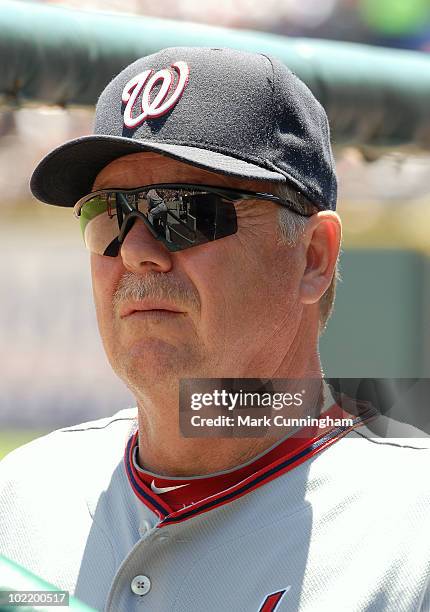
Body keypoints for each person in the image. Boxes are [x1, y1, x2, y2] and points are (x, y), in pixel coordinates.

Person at [0, 47, 429, 612]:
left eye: (185, 212)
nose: (135, 251)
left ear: (313, 258)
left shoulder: (412, 538)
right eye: (109, 213)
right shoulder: (20, 496)